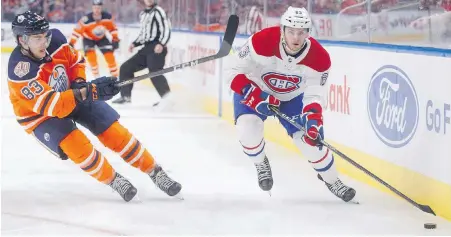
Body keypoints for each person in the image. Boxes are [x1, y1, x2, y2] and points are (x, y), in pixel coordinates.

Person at [7, 11, 182, 202]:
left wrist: (81, 83)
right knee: (77, 146)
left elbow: (76, 61)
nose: (44, 41)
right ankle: (114, 180)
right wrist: (86, 92)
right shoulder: (20, 72)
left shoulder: (56, 39)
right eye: (37, 38)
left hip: (70, 92)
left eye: (45, 35)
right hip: (40, 115)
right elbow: (53, 106)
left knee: (115, 132)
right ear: (22, 41)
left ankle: (155, 172)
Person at [224, 7, 356, 202]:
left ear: (308, 33)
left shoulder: (319, 57)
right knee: (248, 130)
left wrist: (313, 119)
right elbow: (231, 71)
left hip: (293, 97)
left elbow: (314, 94)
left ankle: (332, 180)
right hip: (257, 88)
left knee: (311, 143)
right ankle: (261, 163)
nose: (296, 37)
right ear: (282, 29)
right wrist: (252, 93)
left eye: (301, 32)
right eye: (291, 31)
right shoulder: (262, 41)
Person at [113, 0, 172, 109]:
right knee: (126, 68)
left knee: (154, 71)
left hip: (157, 47)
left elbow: (167, 29)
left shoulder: (158, 11)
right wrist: (135, 43)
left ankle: (167, 98)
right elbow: (144, 34)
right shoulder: (143, 14)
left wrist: (161, 44)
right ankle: (126, 96)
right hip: (146, 48)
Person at [69, 0, 120, 78]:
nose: (97, 10)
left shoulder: (107, 17)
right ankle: (97, 78)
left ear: (101, 8)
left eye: (99, 8)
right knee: (92, 58)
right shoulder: (85, 20)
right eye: (95, 8)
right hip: (88, 39)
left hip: (102, 38)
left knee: (110, 56)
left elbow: (113, 29)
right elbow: (76, 32)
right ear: (92, 8)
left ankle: (115, 77)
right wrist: (71, 43)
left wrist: (115, 39)